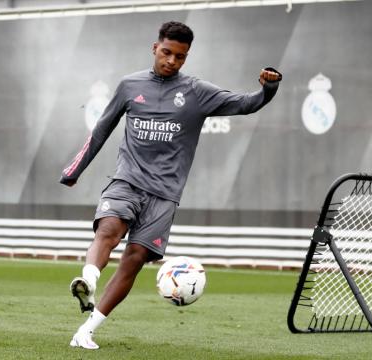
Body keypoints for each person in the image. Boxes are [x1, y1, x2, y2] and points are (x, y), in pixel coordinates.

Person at [60, 21, 281, 350]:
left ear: (186, 57)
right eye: (166, 53)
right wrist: (75, 169)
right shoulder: (129, 85)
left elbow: (247, 104)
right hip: (127, 180)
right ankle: (88, 281)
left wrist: (268, 89)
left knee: (134, 260)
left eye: (180, 56)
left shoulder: (196, 92)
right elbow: (102, 129)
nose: (171, 61)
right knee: (108, 229)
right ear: (155, 48)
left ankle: (87, 330)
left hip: (164, 195)